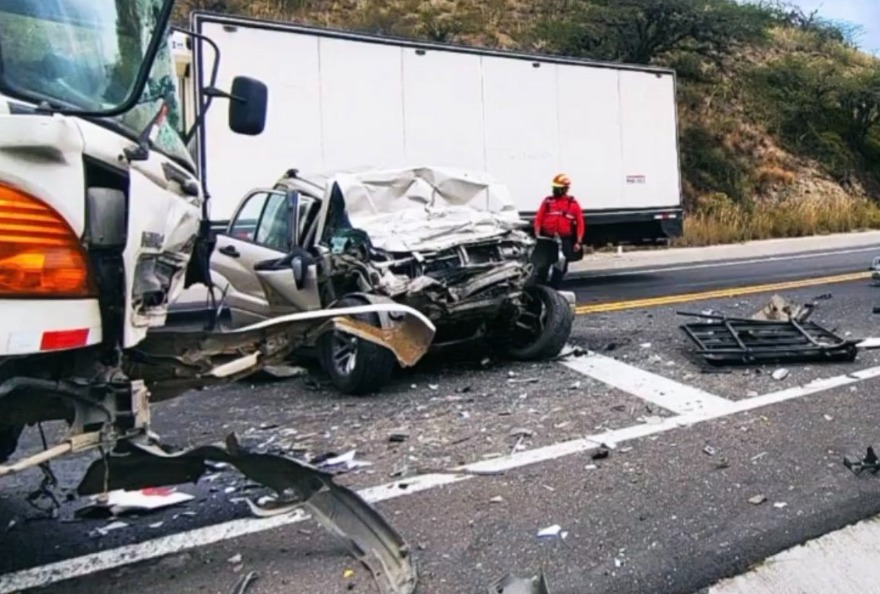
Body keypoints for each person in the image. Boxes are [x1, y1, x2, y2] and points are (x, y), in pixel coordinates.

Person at [533, 173, 586, 288]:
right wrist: (537, 234)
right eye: (554, 188)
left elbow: (580, 224)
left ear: (565, 189)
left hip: (565, 239)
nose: (555, 190)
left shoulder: (573, 204)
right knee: (543, 263)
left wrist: (578, 241)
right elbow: (539, 218)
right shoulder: (548, 202)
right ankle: (539, 286)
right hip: (548, 238)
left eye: (558, 188)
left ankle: (554, 287)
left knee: (562, 265)